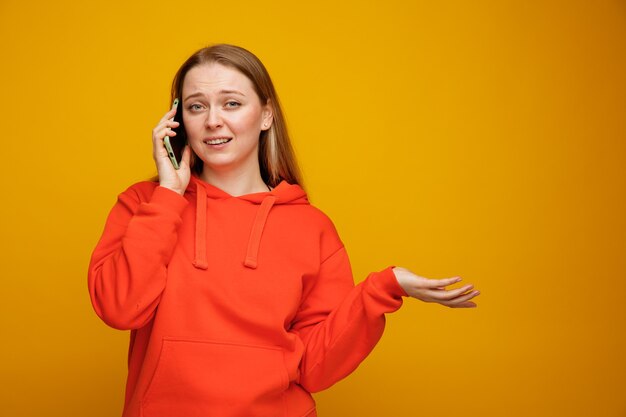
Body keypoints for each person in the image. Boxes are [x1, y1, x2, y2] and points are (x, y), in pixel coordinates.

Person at [88, 44, 480, 417]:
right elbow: (120, 309)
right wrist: (170, 194)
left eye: (232, 103)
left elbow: (315, 366)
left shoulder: (311, 227)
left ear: (265, 115)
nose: (212, 120)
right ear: (177, 121)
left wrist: (384, 287)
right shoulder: (146, 203)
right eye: (196, 107)